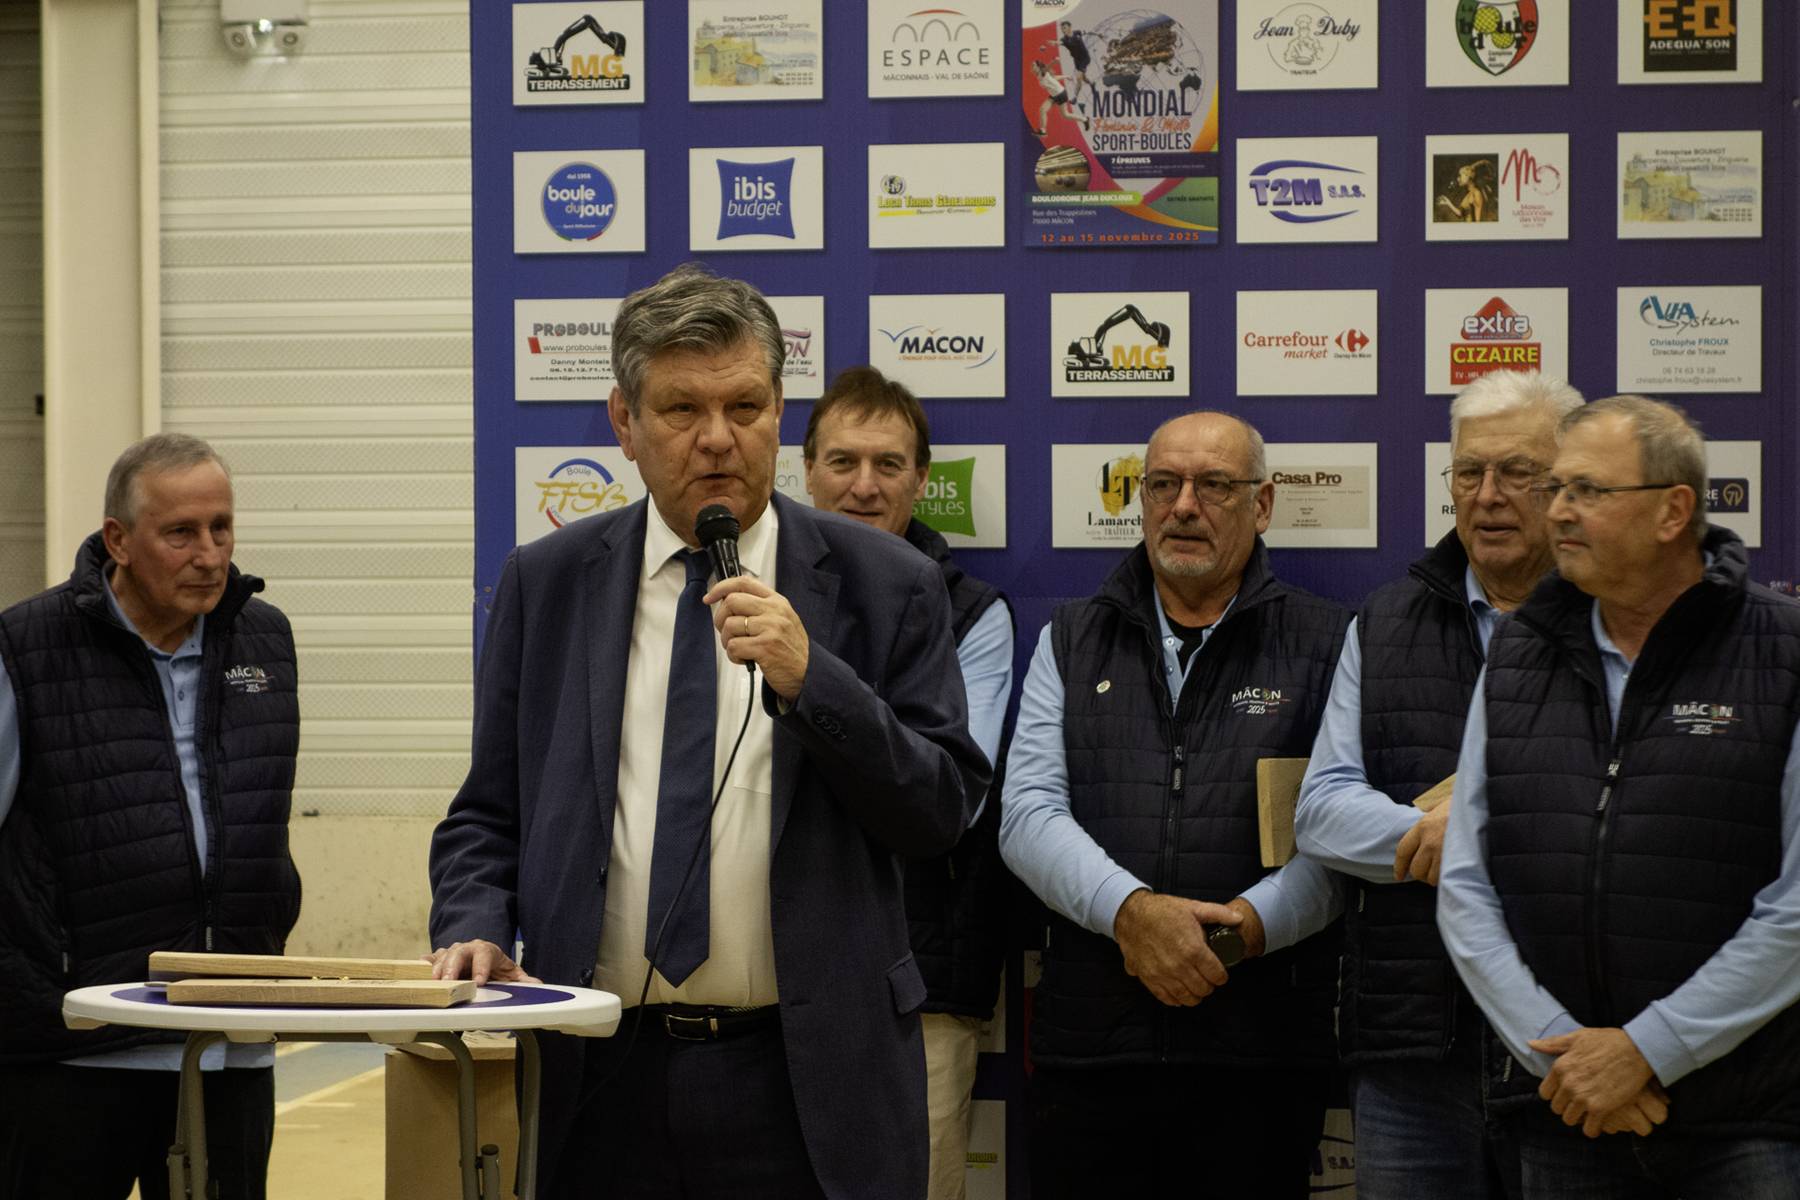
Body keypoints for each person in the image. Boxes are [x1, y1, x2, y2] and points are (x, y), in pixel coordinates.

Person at [427, 265, 991, 1199]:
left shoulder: (887, 584)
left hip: (808, 1082)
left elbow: (939, 813)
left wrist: (814, 681)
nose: (719, 438)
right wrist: (474, 924)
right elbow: (487, 814)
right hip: (597, 1073)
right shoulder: (549, 581)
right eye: (682, 409)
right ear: (625, 423)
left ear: (779, 414)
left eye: (745, 406)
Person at [1438, 395, 1800, 1196]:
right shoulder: (1519, 654)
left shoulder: (1784, 650)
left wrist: (1648, 1049)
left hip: (1744, 1119)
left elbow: (1796, 908)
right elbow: (1465, 885)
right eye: (1557, 488)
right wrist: (1562, 1052)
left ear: (1673, 510)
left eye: (1588, 491)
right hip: (1565, 1108)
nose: (1558, 512)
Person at [999, 411, 1349, 1198]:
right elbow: (1027, 815)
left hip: (1260, 1053)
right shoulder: (1071, 638)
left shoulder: (1329, 643)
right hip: (1092, 1052)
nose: (1184, 505)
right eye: (1163, 484)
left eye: (1214, 485)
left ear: (1262, 504)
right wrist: (1132, 914)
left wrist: (1243, 933)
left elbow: (1339, 834)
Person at [1295, 371, 1583, 1197]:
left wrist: (1482, 823)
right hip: (1411, 1050)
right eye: (1469, 472)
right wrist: (1446, 834)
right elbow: (1322, 811)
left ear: (1569, 483)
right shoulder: (1387, 620)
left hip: (1572, 1043)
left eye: (1518, 472)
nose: (1488, 496)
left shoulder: (1617, 615)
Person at [0, 433, 301, 1200]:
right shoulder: (25, 648)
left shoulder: (266, 639)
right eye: (181, 533)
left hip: (229, 1037)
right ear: (119, 541)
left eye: (221, 528)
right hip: (73, 1048)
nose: (210, 554)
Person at [801, 366, 1014, 1200]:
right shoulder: (744, 589)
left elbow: (949, 801)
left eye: (888, 464)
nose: (864, 486)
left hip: (918, 976)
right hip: (767, 975)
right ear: (806, 469)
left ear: (922, 480)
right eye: (843, 461)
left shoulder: (976, 615)